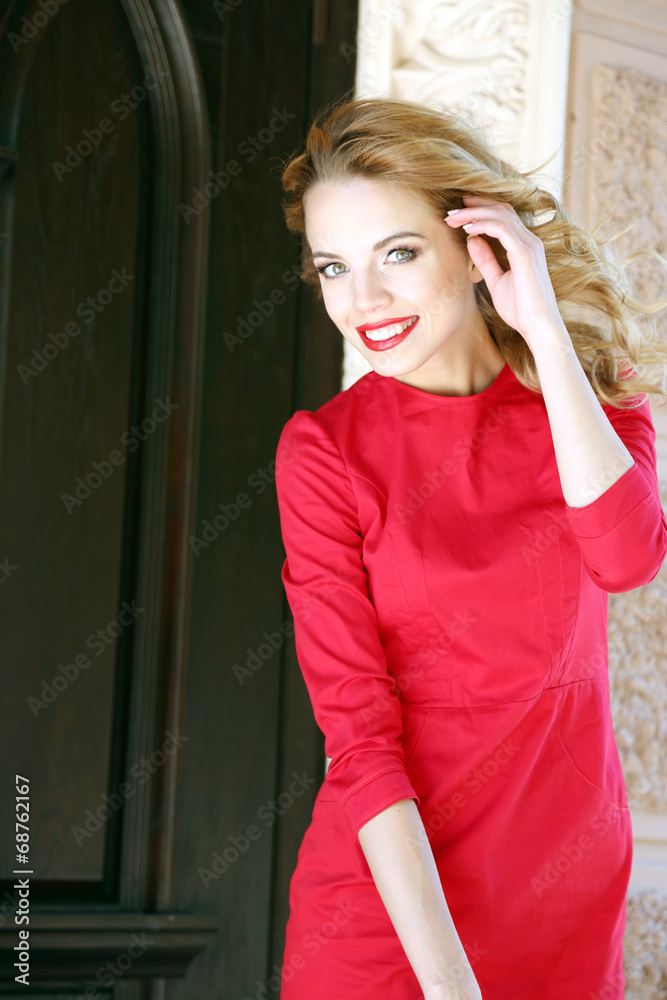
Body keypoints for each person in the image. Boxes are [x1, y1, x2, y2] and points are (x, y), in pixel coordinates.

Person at [273, 95, 667, 1000]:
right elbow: (361, 744)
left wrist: (545, 335)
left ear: (473, 244)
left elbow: (627, 558)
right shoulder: (324, 453)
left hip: (566, 901)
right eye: (334, 268)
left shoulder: (593, 404)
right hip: (390, 923)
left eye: (397, 254)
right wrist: (451, 988)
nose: (361, 303)